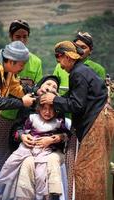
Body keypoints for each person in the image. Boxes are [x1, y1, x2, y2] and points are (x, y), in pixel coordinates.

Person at [40, 40, 114, 200]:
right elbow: (75, 97)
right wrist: (57, 99)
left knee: (86, 171)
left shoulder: (77, 74)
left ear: (67, 57)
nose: (60, 66)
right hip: (102, 119)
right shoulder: (82, 70)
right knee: (96, 171)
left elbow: (77, 105)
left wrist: (54, 100)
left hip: (97, 122)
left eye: (59, 60)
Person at [0, 19, 43, 187]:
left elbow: (35, 90)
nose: (21, 40)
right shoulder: (2, 62)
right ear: (10, 36)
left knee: (23, 161)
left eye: (24, 37)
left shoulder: (35, 62)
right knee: (1, 159)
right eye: (17, 36)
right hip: (5, 116)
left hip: (24, 120)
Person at [0, 100, 71, 200]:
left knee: (41, 173)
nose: (47, 112)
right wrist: (24, 136)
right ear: (38, 109)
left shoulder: (58, 122)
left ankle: (44, 196)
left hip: (45, 151)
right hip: (27, 147)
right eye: (44, 109)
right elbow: (22, 130)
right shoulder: (32, 117)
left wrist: (56, 138)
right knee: (10, 163)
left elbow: (67, 134)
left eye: (51, 109)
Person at [0, 40, 35, 136]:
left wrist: (36, 91)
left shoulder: (7, 69)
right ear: (11, 61)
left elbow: (15, 88)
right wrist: (22, 102)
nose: (22, 68)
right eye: (21, 65)